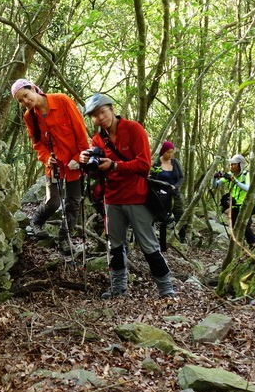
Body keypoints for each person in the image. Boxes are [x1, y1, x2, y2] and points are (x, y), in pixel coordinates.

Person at [78, 93, 176, 299]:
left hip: (137, 196)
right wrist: (86, 161)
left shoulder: (134, 129)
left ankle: (166, 290)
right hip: (112, 198)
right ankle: (119, 288)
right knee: (115, 246)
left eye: (102, 112)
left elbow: (144, 164)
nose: (100, 118)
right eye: (94, 116)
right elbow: (97, 173)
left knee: (148, 245)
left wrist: (115, 165)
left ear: (112, 109)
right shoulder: (98, 139)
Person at [11, 78, 90, 253]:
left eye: (26, 95)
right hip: (53, 164)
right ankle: (37, 222)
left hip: (75, 162)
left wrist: (80, 156)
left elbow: (80, 130)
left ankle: (65, 239)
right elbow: (37, 143)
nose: (26, 101)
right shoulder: (29, 116)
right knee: (53, 201)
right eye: (21, 101)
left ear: (32, 88)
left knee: (73, 202)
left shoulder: (62, 100)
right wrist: (46, 157)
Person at [212, 153, 255, 246]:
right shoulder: (230, 174)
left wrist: (234, 180)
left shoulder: (246, 175)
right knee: (235, 228)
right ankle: (242, 247)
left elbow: (248, 188)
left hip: (245, 206)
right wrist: (214, 177)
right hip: (233, 206)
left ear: (240, 165)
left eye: (234, 164)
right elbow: (215, 185)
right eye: (231, 164)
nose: (231, 166)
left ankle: (254, 243)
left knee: (244, 226)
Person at [151, 140, 188, 243]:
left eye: (172, 152)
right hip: (161, 193)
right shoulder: (157, 163)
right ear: (163, 152)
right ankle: (160, 239)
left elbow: (181, 177)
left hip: (174, 191)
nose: (170, 154)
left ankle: (182, 236)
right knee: (162, 215)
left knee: (179, 211)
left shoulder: (175, 163)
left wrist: (175, 186)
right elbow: (152, 179)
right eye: (168, 152)